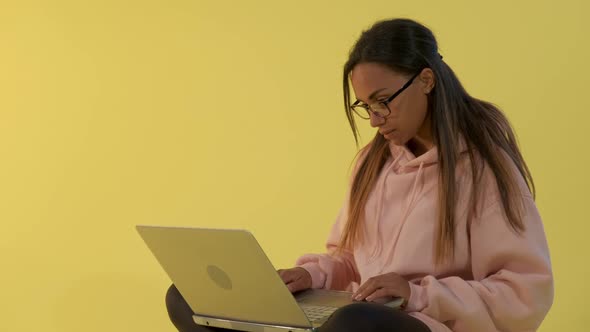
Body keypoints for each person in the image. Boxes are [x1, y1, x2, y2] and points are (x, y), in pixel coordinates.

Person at [165, 18, 553, 332]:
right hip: (356, 316)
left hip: (416, 324)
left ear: (426, 80)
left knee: (357, 323)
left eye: (383, 101)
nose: (374, 119)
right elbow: (351, 261)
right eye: (365, 105)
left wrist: (416, 295)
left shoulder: (484, 166)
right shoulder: (373, 162)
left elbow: (524, 294)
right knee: (189, 298)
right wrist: (311, 275)